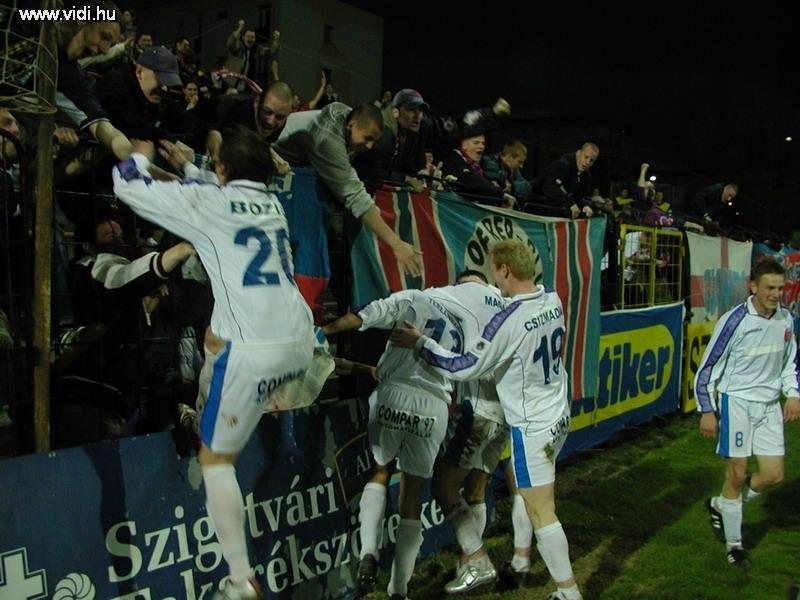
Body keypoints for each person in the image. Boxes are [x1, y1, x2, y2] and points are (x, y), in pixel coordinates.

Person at [112, 128, 316, 600]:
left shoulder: (210, 203)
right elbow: (216, 189)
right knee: (214, 337)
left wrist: (138, 157)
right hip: (299, 340)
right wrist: (188, 168)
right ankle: (211, 412)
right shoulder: (273, 205)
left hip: (256, 349)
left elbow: (129, 186)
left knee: (215, 460)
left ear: (223, 168)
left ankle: (239, 579)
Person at [391, 239, 582, 600]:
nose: (495, 281)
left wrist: (420, 343)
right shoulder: (552, 298)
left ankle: (568, 592)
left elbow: (464, 367)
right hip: (558, 413)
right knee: (530, 496)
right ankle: (521, 561)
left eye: (495, 272)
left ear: (505, 270)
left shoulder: (509, 320)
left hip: (532, 424)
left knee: (542, 510)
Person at [322, 276, 507, 598]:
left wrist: (323, 330)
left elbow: (362, 316)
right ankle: (398, 590)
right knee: (411, 497)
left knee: (380, 472)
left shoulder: (413, 298)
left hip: (393, 395)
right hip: (434, 405)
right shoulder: (467, 326)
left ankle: (369, 552)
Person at [695, 259, 800, 568]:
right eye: (769, 288)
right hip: (737, 403)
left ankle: (722, 504)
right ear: (753, 286)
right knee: (737, 474)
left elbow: (790, 362)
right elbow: (708, 368)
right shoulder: (735, 321)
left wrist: (793, 394)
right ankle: (735, 545)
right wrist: (707, 410)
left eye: (780, 288)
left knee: (773, 475)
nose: (775, 294)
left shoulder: (786, 319)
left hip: (769, 406)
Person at [272, 102, 422, 276]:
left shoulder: (348, 119)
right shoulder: (326, 138)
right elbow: (355, 197)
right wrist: (397, 244)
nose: (370, 146)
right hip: (274, 173)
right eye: (368, 138)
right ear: (351, 125)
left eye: (374, 140)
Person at [354, 89, 510, 192]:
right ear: (396, 112)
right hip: (359, 193)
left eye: (420, 110)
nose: (418, 115)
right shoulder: (381, 133)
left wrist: (492, 114)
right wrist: (406, 179)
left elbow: (455, 128)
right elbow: (368, 171)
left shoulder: (424, 125)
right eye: (411, 109)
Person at [441, 134, 515, 208]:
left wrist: (491, 185)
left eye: (483, 143)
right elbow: (470, 178)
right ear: (464, 146)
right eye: (476, 143)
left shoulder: (477, 166)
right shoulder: (454, 160)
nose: (481, 146)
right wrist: (500, 193)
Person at [531, 143, 598, 219]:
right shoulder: (562, 164)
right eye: (586, 157)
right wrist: (570, 203)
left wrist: (585, 206)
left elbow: (579, 196)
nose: (588, 162)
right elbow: (549, 188)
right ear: (578, 153)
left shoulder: (586, 175)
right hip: (536, 207)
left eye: (592, 160)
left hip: (555, 212)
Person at [224, 19, 280, 91]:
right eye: (248, 36)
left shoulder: (256, 49)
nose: (250, 39)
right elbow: (230, 44)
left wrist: (276, 40)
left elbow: (269, 52)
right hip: (232, 85)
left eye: (253, 37)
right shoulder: (238, 47)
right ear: (243, 37)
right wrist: (240, 28)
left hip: (249, 86)